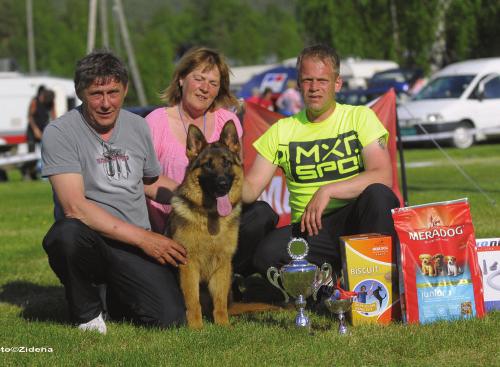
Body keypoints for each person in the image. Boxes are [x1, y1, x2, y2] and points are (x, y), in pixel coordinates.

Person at [41, 51, 188, 334]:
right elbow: (75, 208)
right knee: (65, 234)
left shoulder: (137, 126)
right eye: (97, 94)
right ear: (80, 92)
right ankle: (87, 313)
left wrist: (193, 198)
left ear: (126, 89)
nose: (106, 103)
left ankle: (115, 296)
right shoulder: (59, 132)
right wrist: (146, 239)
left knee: (170, 319)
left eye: (113, 92)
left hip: (132, 244)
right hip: (91, 240)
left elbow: (150, 181)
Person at [242, 45, 400, 297]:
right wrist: (219, 175)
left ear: (337, 83)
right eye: (307, 80)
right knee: (266, 254)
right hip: (309, 231)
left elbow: (383, 175)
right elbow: (250, 189)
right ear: (298, 84)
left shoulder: (360, 117)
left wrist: (329, 190)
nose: (314, 87)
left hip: (356, 220)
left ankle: (385, 290)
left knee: (379, 195)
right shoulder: (282, 130)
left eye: (322, 80)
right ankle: (324, 289)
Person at [145, 46, 278, 280]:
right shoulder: (155, 122)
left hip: (219, 225)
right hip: (175, 227)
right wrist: (186, 197)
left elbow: (234, 175)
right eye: (198, 79)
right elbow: (143, 181)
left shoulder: (228, 121)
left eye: (213, 83)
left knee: (262, 214)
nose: (205, 88)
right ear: (181, 79)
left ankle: (229, 278)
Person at [21, 86, 56, 180]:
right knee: (31, 154)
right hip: (32, 131)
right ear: (43, 96)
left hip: (44, 129)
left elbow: (53, 116)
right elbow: (29, 116)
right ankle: (26, 172)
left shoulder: (50, 101)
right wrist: (35, 130)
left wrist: (54, 129)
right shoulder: (34, 101)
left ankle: (42, 173)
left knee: (46, 152)